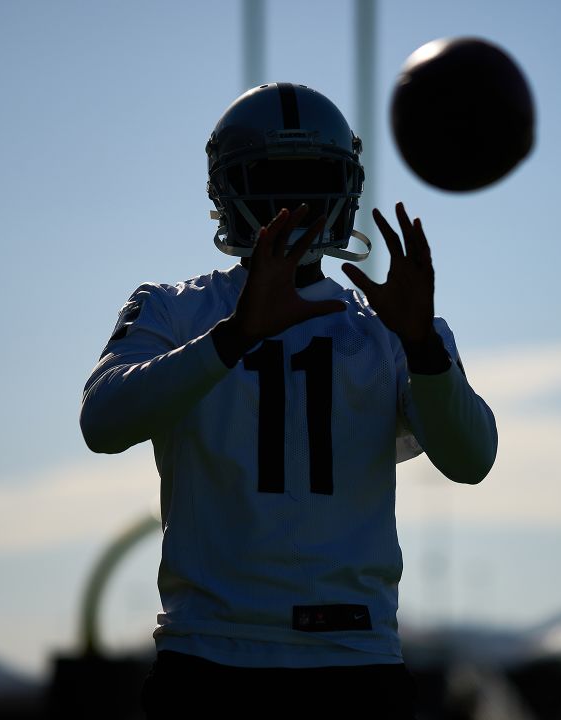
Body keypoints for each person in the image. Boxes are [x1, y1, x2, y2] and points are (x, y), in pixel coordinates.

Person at [79, 83, 498, 718]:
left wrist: (423, 346)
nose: (297, 201)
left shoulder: (392, 323)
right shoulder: (178, 308)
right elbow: (102, 421)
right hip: (213, 655)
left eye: (315, 178)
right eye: (277, 178)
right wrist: (234, 336)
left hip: (354, 657)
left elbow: (472, 458)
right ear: (229, 189)